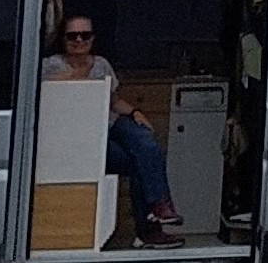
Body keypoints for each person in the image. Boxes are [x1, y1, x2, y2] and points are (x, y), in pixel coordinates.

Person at [46, 16, 184, 249]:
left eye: (85, 35)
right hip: (79, 137)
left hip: (109, 124)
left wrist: (135, 112)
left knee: (145, 140)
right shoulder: (51, 65)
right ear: (62, 39)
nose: (79, 40)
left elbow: (113, 100)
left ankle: (161, 206)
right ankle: (148, 232)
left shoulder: (102, 64)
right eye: (72, 36)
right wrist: (78, 72)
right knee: (139, 162)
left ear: (93, 38)